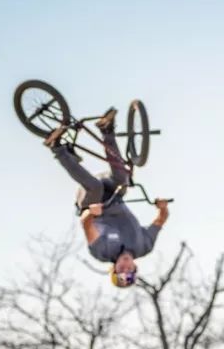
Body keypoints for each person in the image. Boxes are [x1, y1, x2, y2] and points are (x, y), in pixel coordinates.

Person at [44, 108, 169, 288]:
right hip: (115, 195)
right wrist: (162, 207)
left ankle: (57, 148)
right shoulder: (144, 246)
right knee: (123, 177)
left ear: (114, 269)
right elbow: (160, 220)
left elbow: (85, 224)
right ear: (135, 267)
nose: (125, 266)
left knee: (95, 187)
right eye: (129, 269)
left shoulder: (101, 252)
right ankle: (106, 129)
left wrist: (90, 213)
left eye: (121, 269)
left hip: (92, 204)